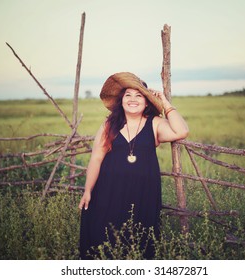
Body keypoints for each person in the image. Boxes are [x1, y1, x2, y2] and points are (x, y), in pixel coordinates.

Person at [78, 72, 189, 259]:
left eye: (139, 96)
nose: (133, 99)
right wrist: (88, 190)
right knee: (104, 239)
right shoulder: (109, 124)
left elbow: (182, 131)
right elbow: (96, 158)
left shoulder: (155, 124)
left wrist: (165, 102)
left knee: (139, 241)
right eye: (128, 95)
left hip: (143, 194)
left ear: (147, 102)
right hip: (108, 192)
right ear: (121, 101)